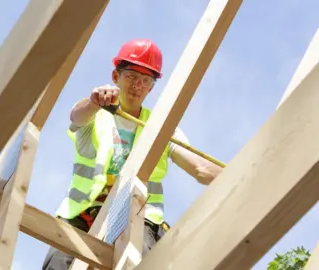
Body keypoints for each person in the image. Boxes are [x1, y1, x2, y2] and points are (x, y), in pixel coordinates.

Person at [42, 38, 223, 270]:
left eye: (146, 80)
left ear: (151, 87)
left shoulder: (161, 126)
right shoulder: (95, 112)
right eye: (132, 76)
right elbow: (77, 116)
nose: (138, 85)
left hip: (139, 217)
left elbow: (201, 169)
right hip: (82, 215)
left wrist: (252, 171)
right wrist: (94, 102)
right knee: (58, 265)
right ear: (116, 77)